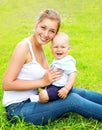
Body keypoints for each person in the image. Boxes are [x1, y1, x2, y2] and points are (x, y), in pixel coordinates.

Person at [2, 9, 102, 125]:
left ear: (56, 34)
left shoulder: (41, 47)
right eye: (43, 27)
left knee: (76, 92)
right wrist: (42, 81)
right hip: (18, 109)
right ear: (36, 25)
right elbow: (7, 84)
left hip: (34, 100)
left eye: (52, 31)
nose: (45, 34)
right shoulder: (23, 47)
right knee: (72, 100)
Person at [39, 32, 77, 103]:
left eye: (63, 47)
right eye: (56, 47)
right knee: (42, 89)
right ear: (51, 48)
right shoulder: (58, 59)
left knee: (42, 96)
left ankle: (45, 105)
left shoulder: (67, 60)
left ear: (68, 49)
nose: (59, 49)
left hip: (60, 88)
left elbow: (73, 74)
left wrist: (66, 88)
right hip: (54, 84)